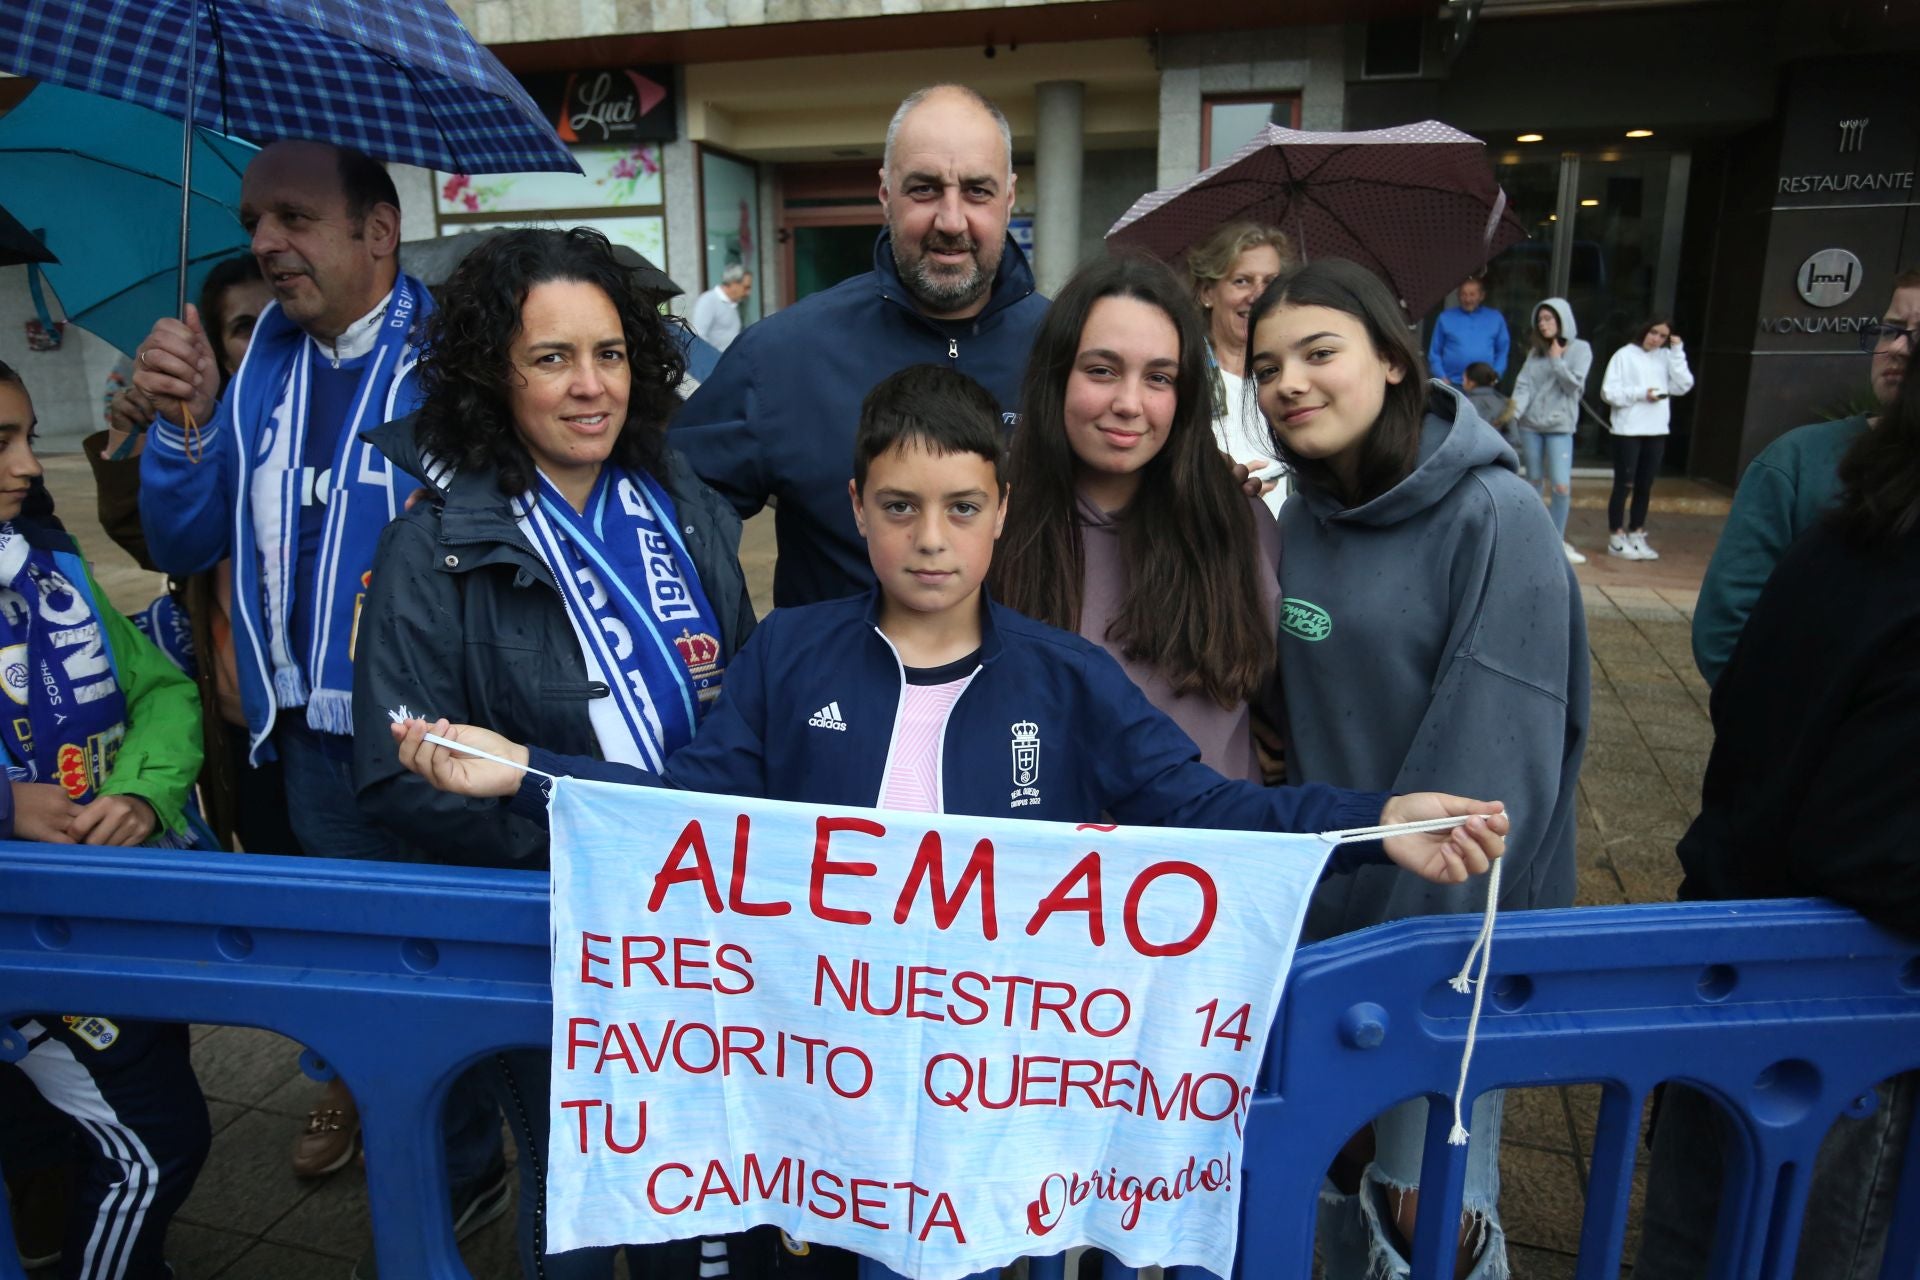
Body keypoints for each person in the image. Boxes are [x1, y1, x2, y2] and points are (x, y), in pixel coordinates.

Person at [351, 227, 754, 1280]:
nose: (591, 386)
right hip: (553, 931)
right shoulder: (434, 541)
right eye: (552, 357)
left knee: (692, 1186)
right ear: (495, 372)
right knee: (571, 1190)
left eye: (611, 353)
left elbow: (749, 713)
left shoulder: (688, 507)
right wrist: (572, 848)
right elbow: (395, 769)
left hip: (699, 921)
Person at [126, 139, 508, 1230]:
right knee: (366, 985)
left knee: (452, 976)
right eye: (256, 218)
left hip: (432, 742)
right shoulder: (259, 368)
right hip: (300, 751)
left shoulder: (461, 358)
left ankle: (471, 1158)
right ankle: (420, 1155)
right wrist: (184, 424)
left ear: (377, 232)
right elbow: (179, 531)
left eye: (293, 216)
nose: (263, 242)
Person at [1245, 259, 1588, 1280]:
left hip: (1438, 951)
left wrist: (1396, 989)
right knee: (1321, 1203)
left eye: (1319, 352)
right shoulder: (1299, 514)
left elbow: (1490, 789)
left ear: (1395, 363)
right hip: (1315, 932)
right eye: (1266, 366)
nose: (1289, 383)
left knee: (1423, 1222)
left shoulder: (1498, 520)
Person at [1633, 350, 1920, 1280]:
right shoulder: (1853, 534)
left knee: (1693, 1236)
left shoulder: (1846, 535)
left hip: (1731, 951)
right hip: (1842, 1000)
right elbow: (1872, 849)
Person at [672, 83, 1050, 608]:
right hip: (832, 687)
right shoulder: (783, 356)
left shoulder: (1068, 353)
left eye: (977, 191)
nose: (951, 220)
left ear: (1009, 199)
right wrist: (753, 655)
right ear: (885, 193)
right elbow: (664, 523)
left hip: (1029, 686)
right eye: (924, 189)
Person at [0, 359, 213, 1280]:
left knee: (122, 1115)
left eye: (24, 433)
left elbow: (162, 689)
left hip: (116, 913)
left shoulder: (50, 562)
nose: (29, 464)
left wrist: (139, 794)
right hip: (30, 950)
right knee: (158, 1142)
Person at [993, 254, 1281, 781]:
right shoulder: (994, 525)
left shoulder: (1241, 522)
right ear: (1055, 377)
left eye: (1159, 377)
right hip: (1057, 858)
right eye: (1101, 371)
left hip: (1214, 854)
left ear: (1185, 393)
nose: (1129, 403)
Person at [84, 253, 299, 856]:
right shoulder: (195, 429)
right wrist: (139, 443)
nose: (262, 335)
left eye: (274, 316)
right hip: (238, 710)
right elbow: (155, 545)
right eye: (240, 325)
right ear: (215, 346)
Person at [1691, 267, 1918, 685]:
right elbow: (1725, 633)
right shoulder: (1796, 461)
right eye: (1891, 329)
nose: (1899, 348)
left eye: (1918, 334)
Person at [1185, 220, 1294, 515]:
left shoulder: (1294, 380)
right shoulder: (1185, 375)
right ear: (1207, 292)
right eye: (1242, 281)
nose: (1258, 295)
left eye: (1270, 282)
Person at [1600, 316, 1694, 560]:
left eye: (1663, 336)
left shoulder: (1666, 357)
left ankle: (1637, 532)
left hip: (1656, 429)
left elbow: (1683, 384)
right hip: (1627, 429)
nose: (1656, 339)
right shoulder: (1624, 355)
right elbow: (1609, 392)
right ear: (1644, 330)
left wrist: (1677, 351)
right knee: (1625, 484)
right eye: (1653, 332)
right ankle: (1616, 536)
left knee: (1645, 485)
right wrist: (1642, 394)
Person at [1508, 298, 1594, 565]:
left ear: (1562, 320)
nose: (1544, 324)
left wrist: (1558, 360)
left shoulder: (1580, 349)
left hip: (1559, 427)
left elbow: (1574, 387)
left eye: (1549, 319)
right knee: (1533, 482)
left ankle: (1557, 539)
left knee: (1560, 484)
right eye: (1540, 320)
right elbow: (1523, 385)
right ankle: (1533, 538)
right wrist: (1511, 414)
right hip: (1531, 426)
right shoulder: (1536, 352)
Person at [1426, 276, 1509, 389]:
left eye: (1472, 294)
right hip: (1451, 384)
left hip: (1483, 386)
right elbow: (1435, 353)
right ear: (1458, 295)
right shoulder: (1445, 318)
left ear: (1482, 295)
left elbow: (1502, 351)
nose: (1468, 299)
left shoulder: (1495, 318)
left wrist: (1496, 375)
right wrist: (1442, 377)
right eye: (1463, 294)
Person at [688, 262, 752, 352]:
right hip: (714, 362)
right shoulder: (708, 300)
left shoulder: (734, 305)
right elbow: (698, 336)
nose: (748, 293)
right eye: (746, 287)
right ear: (733, 283)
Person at [1460, 362, 1511, 439]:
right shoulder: (1506, 404)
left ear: (1471, 383)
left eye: (1464, 379)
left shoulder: (1466, 404)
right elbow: (1513, 437)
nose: (1462, 383)